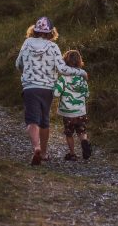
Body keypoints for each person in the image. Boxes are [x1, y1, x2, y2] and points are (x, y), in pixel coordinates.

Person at [16, 16, 87, 166]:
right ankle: (43, 153)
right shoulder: (53, 47)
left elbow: (18, 64)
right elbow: (62, 69)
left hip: (30, 87)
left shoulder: (27, 43)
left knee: (31, 120)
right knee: (44, 121)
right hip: (47, 88)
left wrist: (26, 72)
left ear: (34, 30)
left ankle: (36, 148)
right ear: (50, 32)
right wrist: (81, 72)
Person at [53, 50, 91, 161]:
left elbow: (56, 93)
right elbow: (87, 94)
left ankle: (72, 154)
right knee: (82, 131)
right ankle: (84, 141)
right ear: (79, 62)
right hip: (80, 111)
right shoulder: (82, 78)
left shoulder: (63, 78)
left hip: (67, 112)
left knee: (69, 133)